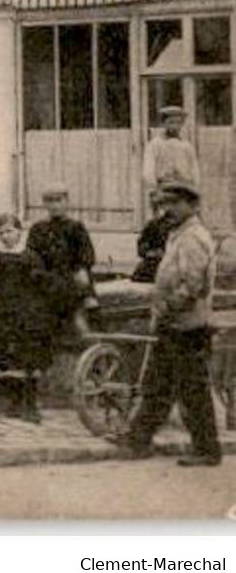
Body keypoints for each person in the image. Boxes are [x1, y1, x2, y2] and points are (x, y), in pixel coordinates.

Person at [114, 179, 222, 467]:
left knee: (192, 390)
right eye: (164, 203)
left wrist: (169, 305)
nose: (168, 209)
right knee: (158, 386)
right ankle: (138, 440)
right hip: (173, 323)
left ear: (192, 205)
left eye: (175, 203)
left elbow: (193, 285)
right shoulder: (178, 234)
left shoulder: (193, 237)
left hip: (188, 325)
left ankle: (207, 450)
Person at [0, 212, 60, 423]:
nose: (5, 236)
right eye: (0, 232)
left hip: (27, 311)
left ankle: (29, 403)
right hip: (0, 310)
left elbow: (43, 284)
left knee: (30, 348)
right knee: (2, 350)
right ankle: (13, 400)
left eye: (9, 231)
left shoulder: (30, 257)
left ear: (19, 232)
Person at [26, 183, 99, 336]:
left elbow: (86, 255)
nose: (54, 205)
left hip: (71, 276)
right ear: (44, 204)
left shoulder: (75, 227)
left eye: (58, 200)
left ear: (66, 202)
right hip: (47, 278)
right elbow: (32, 255)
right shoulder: (38, 229)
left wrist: (81, 270)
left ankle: (88, 341)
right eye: (50, 201)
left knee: (79, 315)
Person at [143, 105, 200, 195]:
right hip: (163, 189)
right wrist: (153, 188)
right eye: (171, 122)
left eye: (178, 123)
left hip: (185, 190)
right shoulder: (155, 145)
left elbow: (194, 170)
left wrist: (195, 187)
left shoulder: (187, 146)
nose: (174, 126)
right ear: (163, 124)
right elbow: (148, 170)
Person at [133, 189, 175, 284]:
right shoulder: (152, 225)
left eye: (160, 205)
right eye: (154, 207)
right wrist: (150, 252)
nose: (156, 210)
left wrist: (166, 252)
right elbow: (141, 248)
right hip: (153, 265)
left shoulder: (177, 226)